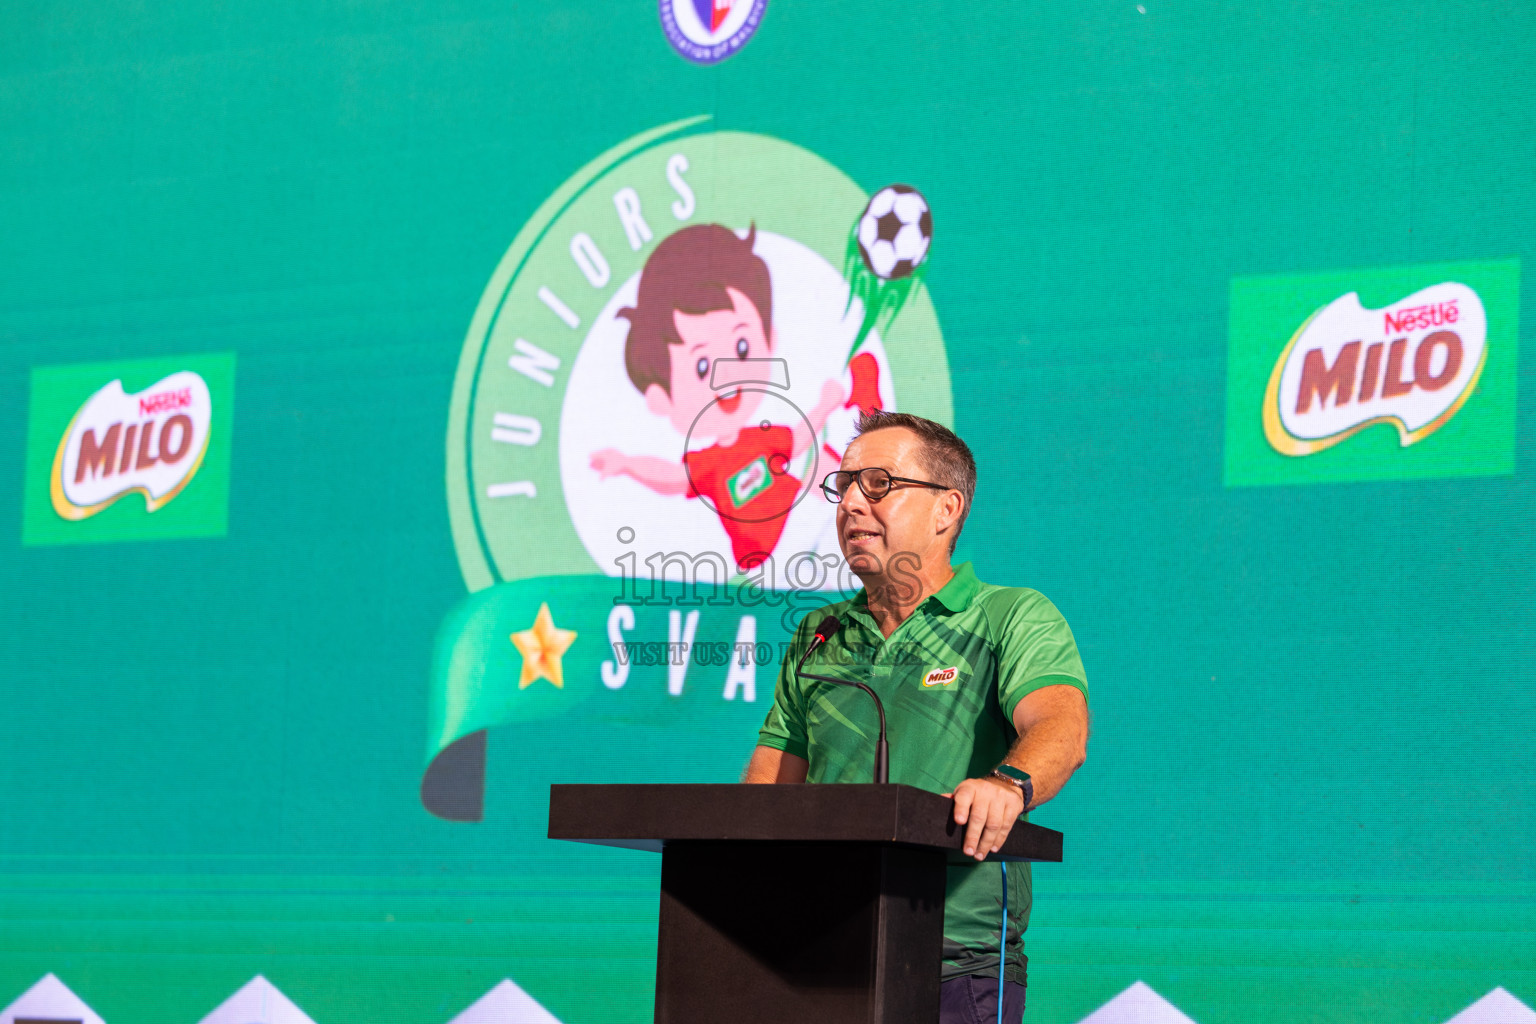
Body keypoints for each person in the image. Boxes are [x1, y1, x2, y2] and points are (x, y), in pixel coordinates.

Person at [745, 410, 1090, 1024]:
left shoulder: (1008, 617)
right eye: (844, 484)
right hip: (818, 952)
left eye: (877, 483)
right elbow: (767, 790)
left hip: (953, 960)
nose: (851, 503)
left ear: (946, 509)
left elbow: (1060, 727)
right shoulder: (818, 634)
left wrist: (1007, 784)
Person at [590, 223, 883, 570]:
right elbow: (670, 477)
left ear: (768, 340)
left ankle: (863, 414)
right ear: (661, 399)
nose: (725, 374)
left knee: (824, 471)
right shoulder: (707, 465)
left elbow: (800, 439)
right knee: (826, 477)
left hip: (798, 519)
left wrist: (826, 403)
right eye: (701, 366)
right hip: (764, 555)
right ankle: (861, 426)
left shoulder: (763, 437)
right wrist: (626, 464)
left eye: (741, 347)